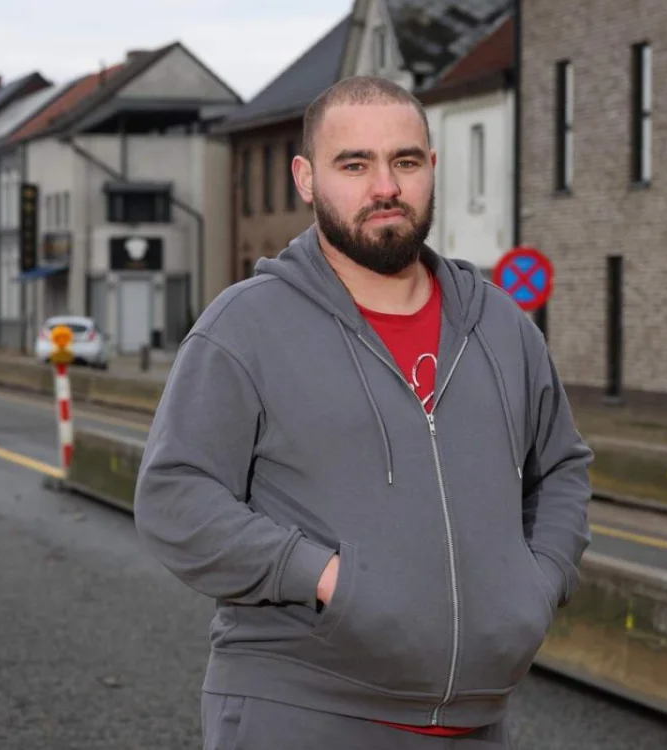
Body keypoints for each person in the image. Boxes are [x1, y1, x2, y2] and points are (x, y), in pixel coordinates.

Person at [134, 74, 593, 750]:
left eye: (404, 162)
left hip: (477, 723)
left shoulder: (502, 327)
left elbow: (560, 470)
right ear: (307, 178)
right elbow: (175, 497)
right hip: (298, 713)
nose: (385, 187)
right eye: (355, 165)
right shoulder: (246, 326)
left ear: (431, 167)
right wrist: (325, 578)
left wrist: (538, 580)